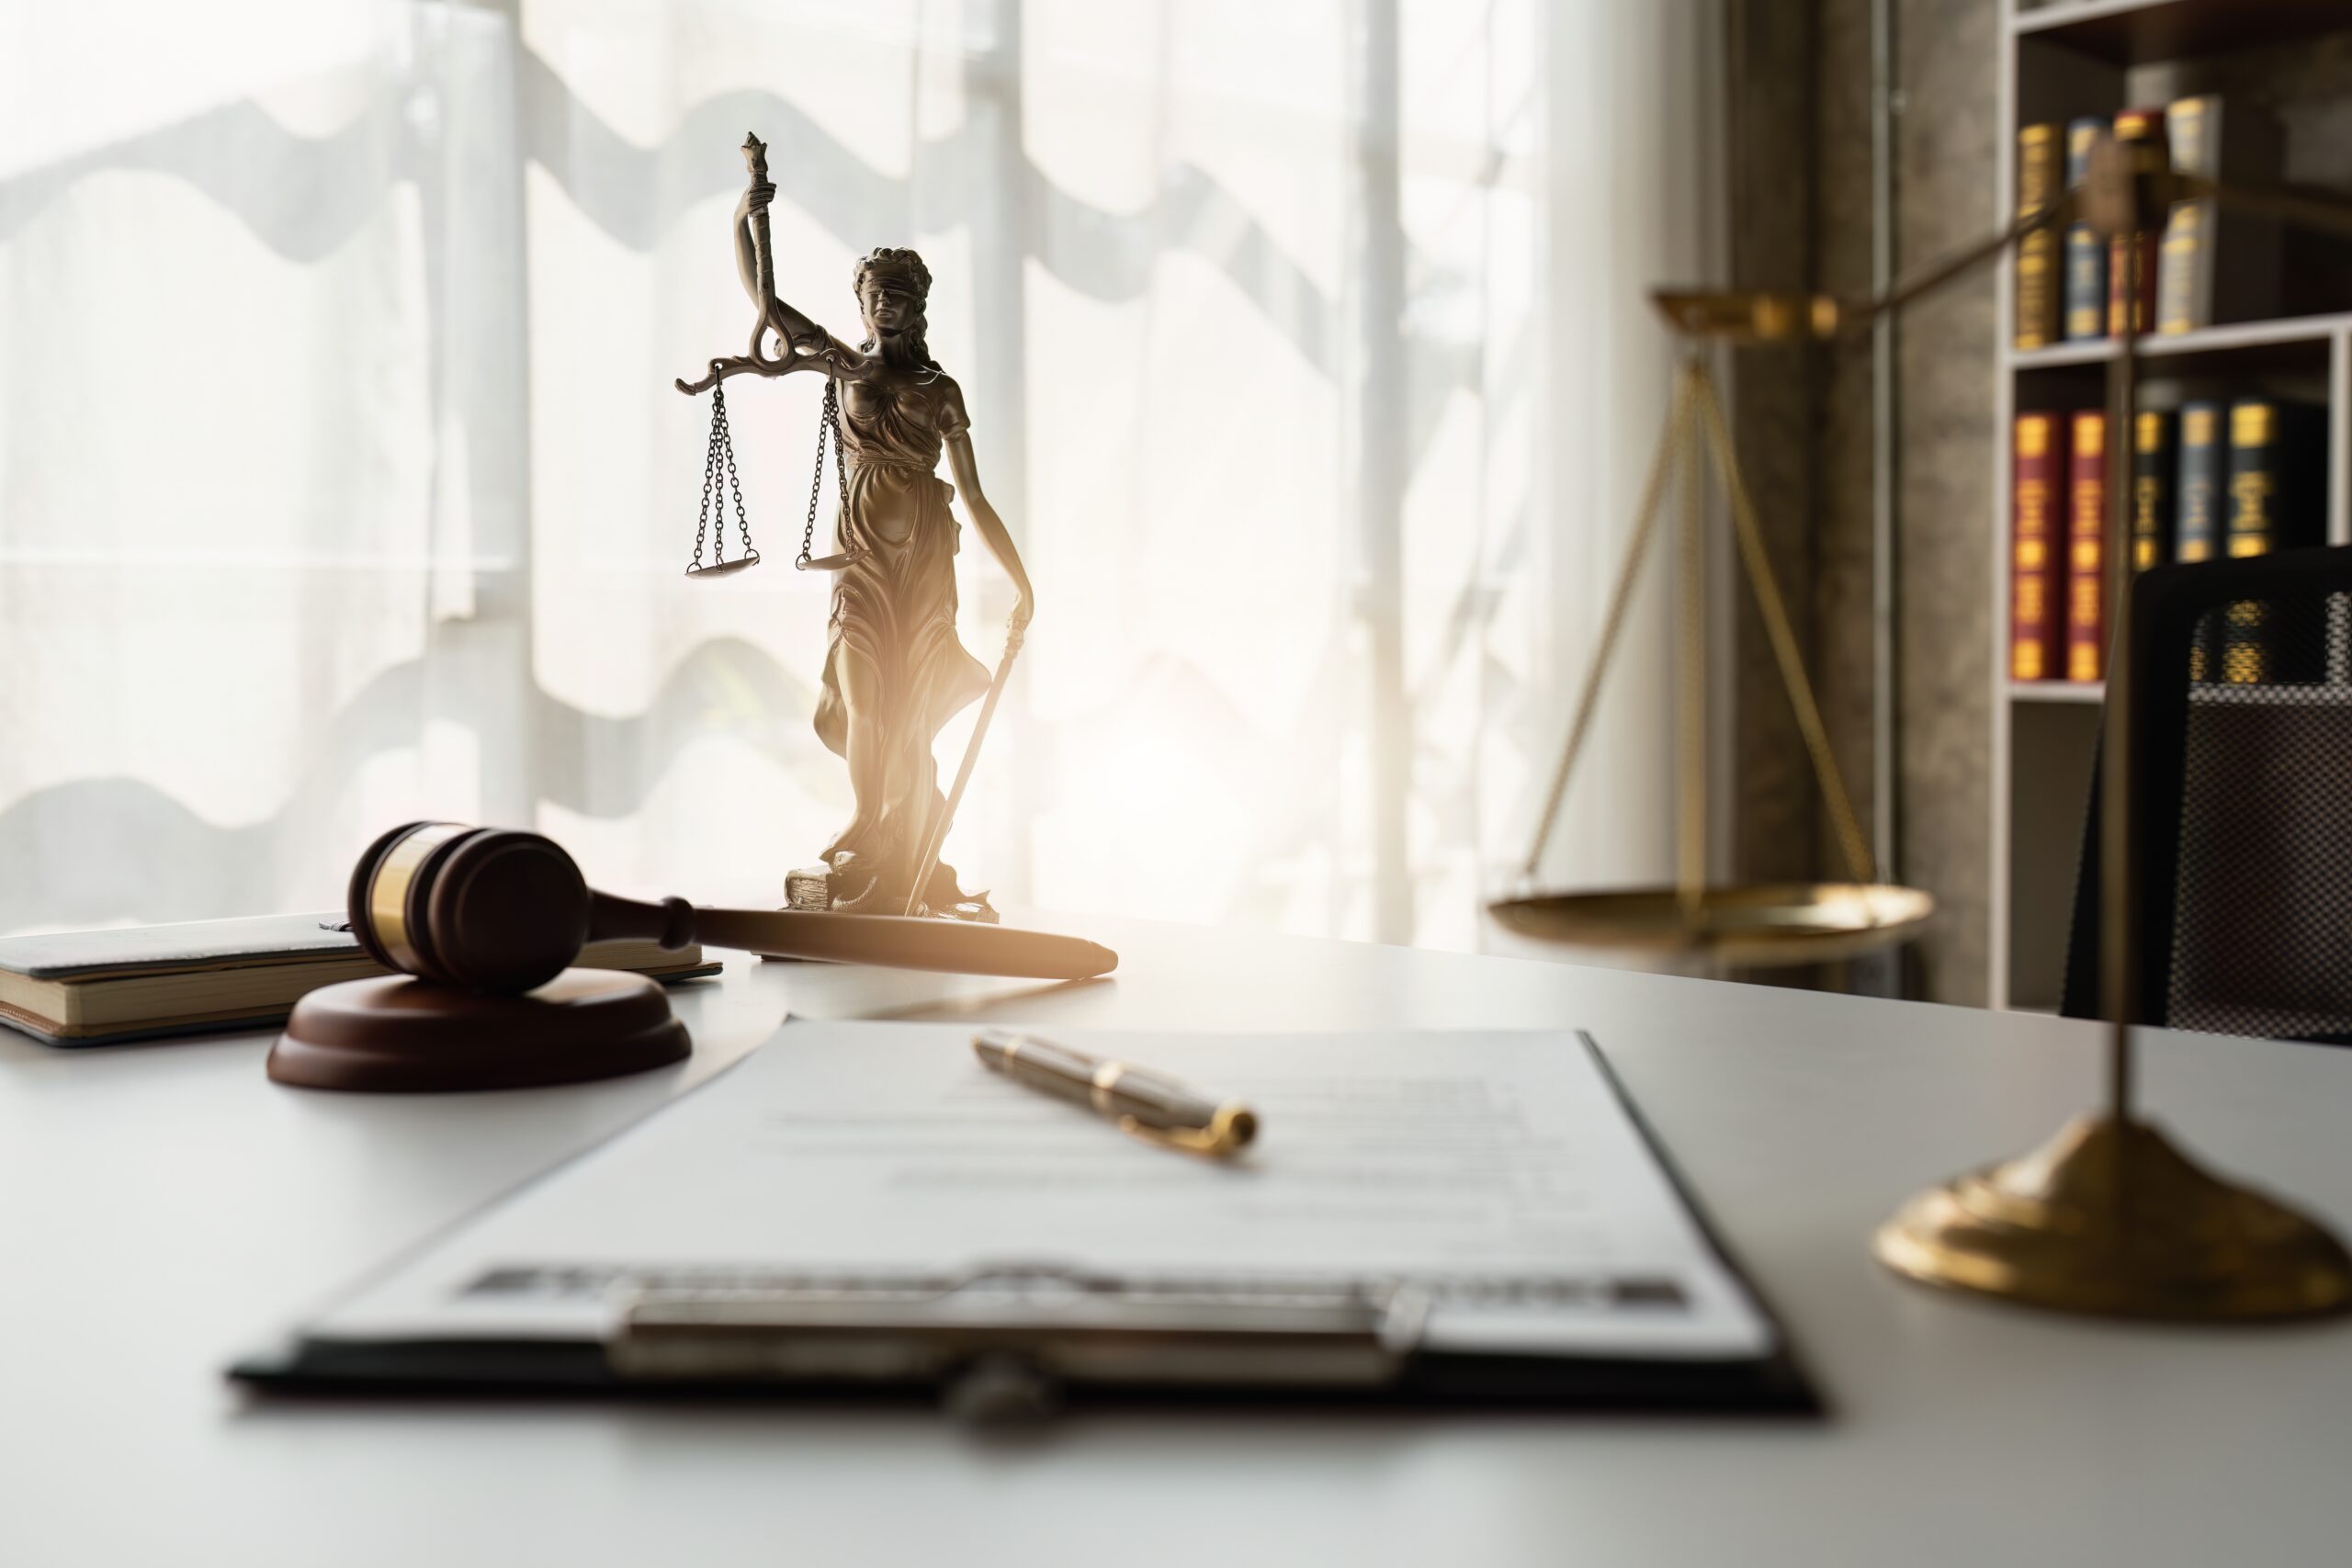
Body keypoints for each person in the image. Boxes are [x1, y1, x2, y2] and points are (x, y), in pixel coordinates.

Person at [734, 180, 1034, 913]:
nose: (886, 302)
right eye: (875, 291)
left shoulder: (941, 389)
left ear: (918, 304)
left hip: (926, 567)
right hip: (861, 562)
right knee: (865, 694)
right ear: (860, 302)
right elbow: (766, 305)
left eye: (899, 291)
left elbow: (976, 495)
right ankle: (870, 828)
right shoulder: (842, 366)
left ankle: (908, 858)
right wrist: (746, 210)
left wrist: (1023, 584)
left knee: (911, 717)